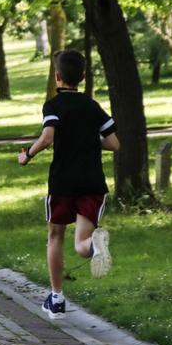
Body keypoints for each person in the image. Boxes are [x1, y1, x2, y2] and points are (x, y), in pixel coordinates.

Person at [18, 49, 120, 320]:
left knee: (55, 237)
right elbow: (114, 143)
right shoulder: (92, 106)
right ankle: (96, 248)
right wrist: (89, 141)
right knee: (81, 242)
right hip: (91, 182)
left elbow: (48, 137)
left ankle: (57, 298)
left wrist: (27, 154)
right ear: (83, 77)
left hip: (63, 182)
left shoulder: (53, 105)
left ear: (57, 77)